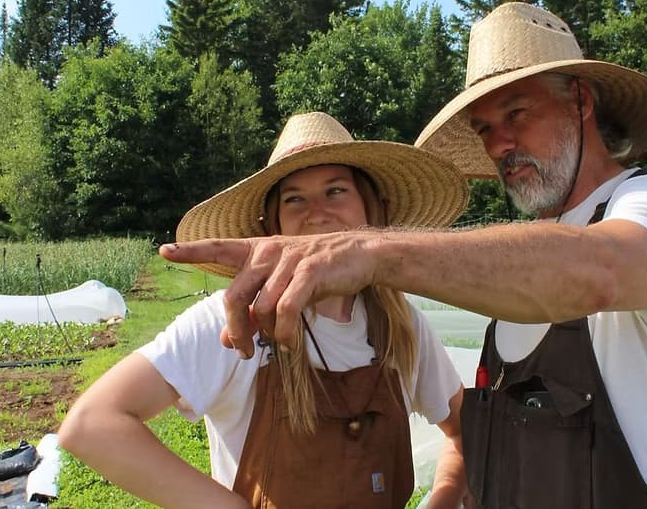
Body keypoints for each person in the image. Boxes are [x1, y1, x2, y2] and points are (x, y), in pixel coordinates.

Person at [159, 2, 647, 509]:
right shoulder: (515, 274)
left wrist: (370, 252)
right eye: (484, 128)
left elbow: (601, 270)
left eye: (517, 114)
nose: (500, 144)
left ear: (579, 100)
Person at [58, 111, 472, 509]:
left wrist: (446, 495)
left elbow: (464, 434)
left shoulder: (399, 326)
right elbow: (93, 424)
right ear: (271, 229)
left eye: (335, 191)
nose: (317, 214)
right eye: (295, 199)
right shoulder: (237, 324)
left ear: (370, 209)